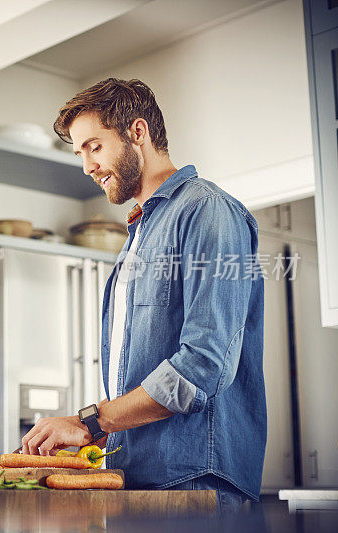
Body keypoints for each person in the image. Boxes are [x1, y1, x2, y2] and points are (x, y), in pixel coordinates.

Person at [21, 78, 265, 512]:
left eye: (94, 147)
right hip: (138, 476)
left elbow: (203, 366)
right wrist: (98, 438)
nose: (87, 167)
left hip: (194, 483)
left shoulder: (207, 211)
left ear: (138, 132)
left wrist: (90, 421)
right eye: (80, 154)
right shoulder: (141, 230)